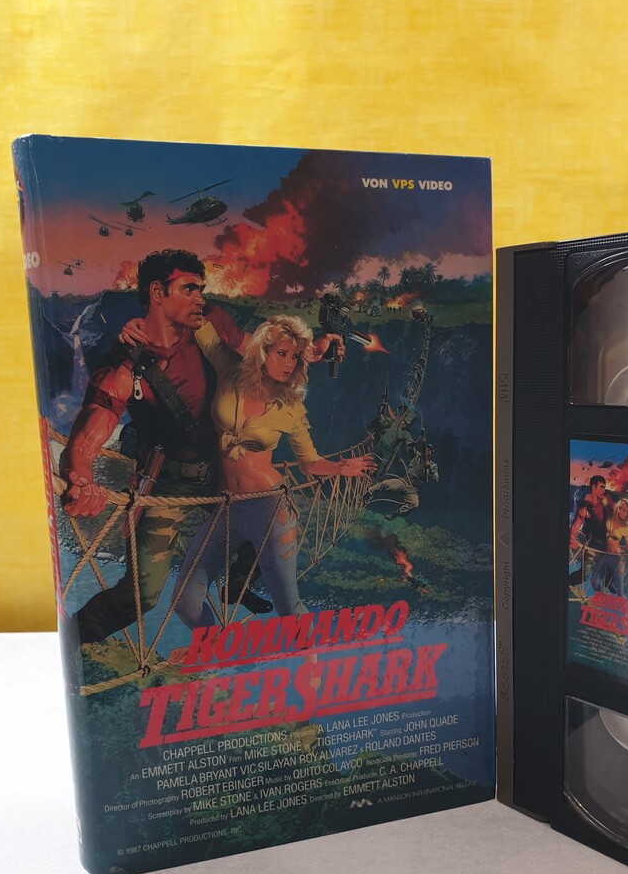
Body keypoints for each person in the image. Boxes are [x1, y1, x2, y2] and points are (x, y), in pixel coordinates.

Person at [60, 249, 344, 645]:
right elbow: (94, 425)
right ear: (157, 293)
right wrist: (79, 476)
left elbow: (257, 351)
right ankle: (69, 641)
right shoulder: (125, 365)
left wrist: (312, 351)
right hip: (165, 484)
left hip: (222, 474)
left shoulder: (210, 321)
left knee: (265, 522)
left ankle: (241, 580)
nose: (200, 298)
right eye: (189, 289)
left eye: (201, 289)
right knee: (142, 595)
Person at [172, 314, 374, 631]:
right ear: (262, 350)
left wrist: (339, 467)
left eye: (295, 357)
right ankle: (210, 647)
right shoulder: (230, 370)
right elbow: (199, 318)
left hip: (269, 510)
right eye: (282, 353)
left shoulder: (290, 407)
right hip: (225, 508)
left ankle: (312, 659)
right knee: (185, 602)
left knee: (289, 609)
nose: (289, 364)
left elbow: (308, 462)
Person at [367, 434, 439, 520]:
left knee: (414, 504)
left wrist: (429, 467)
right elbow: (409, 446)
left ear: (431, 454)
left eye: (429, 451)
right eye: (425, 450)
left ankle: (396, 513)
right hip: (405, 481)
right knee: (385, 484)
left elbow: (436, 479)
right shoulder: (416, 455)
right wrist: (417, 441)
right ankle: (368, 493)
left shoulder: (433, 465)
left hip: (414, 489)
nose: (426, 452)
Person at [591, 497, 628, 596]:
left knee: (620, 591)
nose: (625, 514)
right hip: (604, 555)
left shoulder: (625, 528)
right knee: (594, 582)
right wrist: (598, 495)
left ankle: (623, 606)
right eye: (624, 510)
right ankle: (602, 598)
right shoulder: (609, 515)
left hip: (616, 558)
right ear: (618, 509)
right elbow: (605, 502)